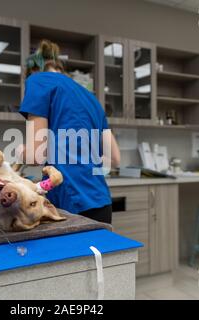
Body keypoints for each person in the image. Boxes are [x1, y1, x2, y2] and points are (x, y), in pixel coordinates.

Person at [18, 40, 121, 224]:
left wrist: (20, 152)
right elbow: (114, 158)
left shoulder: (37, 80)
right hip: (101, 202)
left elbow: (36, 156)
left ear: (31, 71)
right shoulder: (91, 97)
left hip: (70, 204)